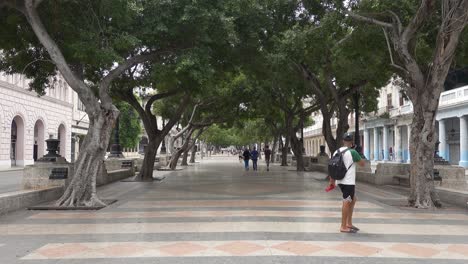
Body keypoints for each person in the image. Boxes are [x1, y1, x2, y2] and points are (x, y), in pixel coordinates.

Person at [327, 133, 365, 233]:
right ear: (352, 142)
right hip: (348, 181)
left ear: (343, 141)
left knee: (353, 199)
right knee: (347, 200)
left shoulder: (337, 151)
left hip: (340, 180)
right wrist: (358, 153)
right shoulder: (353, 152)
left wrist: (331, 181)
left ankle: (349, 223)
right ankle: (343, 226)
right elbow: (362, 164)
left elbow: (332, 166)